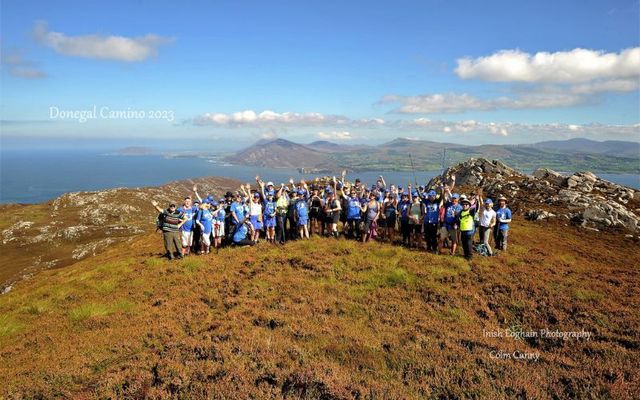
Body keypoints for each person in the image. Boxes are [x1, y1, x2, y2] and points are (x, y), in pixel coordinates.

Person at [442, 191, 462, 255]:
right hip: (446, 224)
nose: (454, 199)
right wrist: (444, 191)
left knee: (454, 240)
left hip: (453, 225)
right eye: (453, 198)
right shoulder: (448, 204)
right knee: (441, 238)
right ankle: (438, 251)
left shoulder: (459, 207)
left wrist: (456, 224)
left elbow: (458, 216)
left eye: (455, 198)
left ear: (458, 199)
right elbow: (444, 199)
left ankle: (452, 252)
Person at [477, 189, 496, 256]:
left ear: (491, 204)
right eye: (486, 203)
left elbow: (494, 222)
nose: (487, 204)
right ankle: (482, 251)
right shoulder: (483, 208)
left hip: (487, 227)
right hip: (481, 226)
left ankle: (490, 253)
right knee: (481, 240)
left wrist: (492, 225)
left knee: (485, 241)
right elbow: (481, 200)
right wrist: (480, 195)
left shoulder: (493, 212)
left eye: (488, 203)